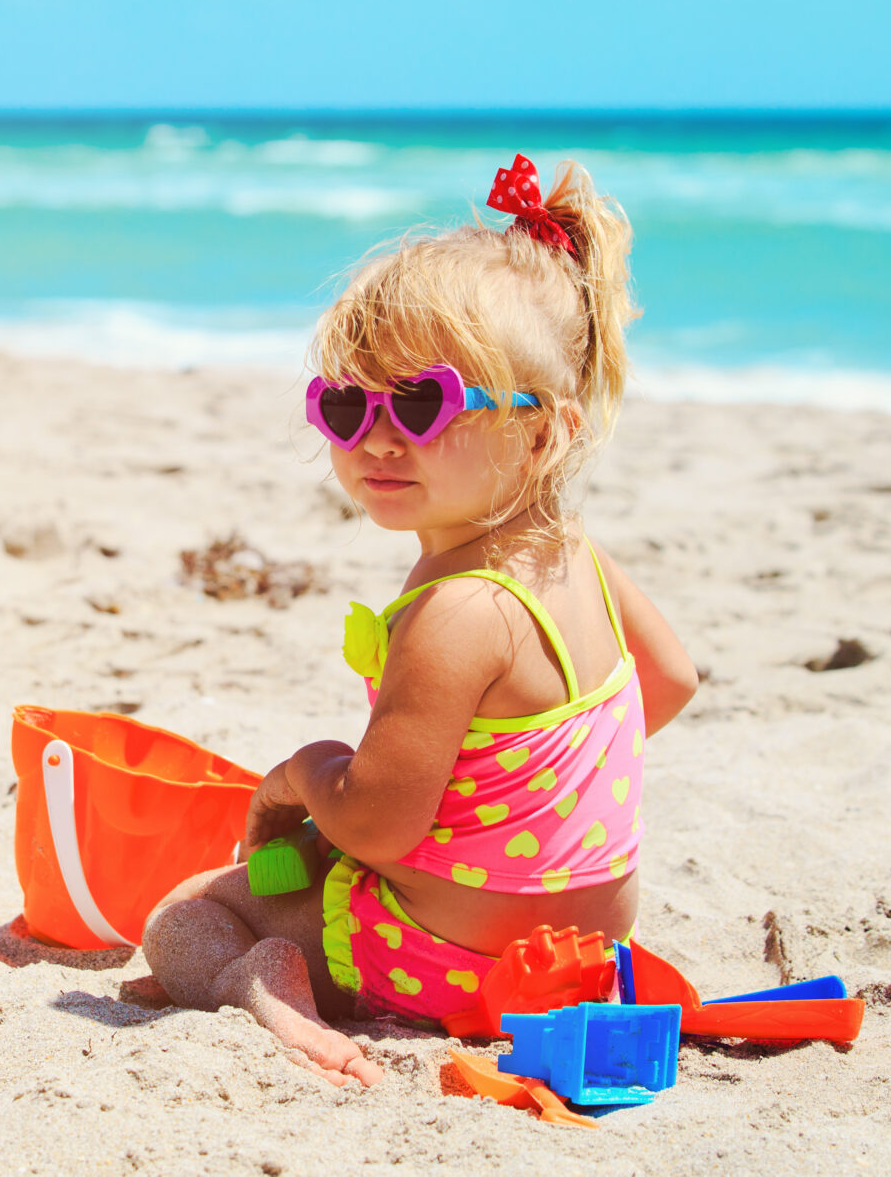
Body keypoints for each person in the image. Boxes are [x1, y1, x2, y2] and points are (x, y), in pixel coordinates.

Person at [140, 156, 699, 1087]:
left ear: (543, 432)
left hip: (447, 967)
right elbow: (670, 685)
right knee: (304, 867)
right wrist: (511, 804)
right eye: (348, 406)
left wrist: (304, 775)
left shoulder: (455, 612)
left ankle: (261, 982)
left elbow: (381, 830)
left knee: (184, 917)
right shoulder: (573, 555)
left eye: (423, 402)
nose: (379, 439)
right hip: (579, 958)